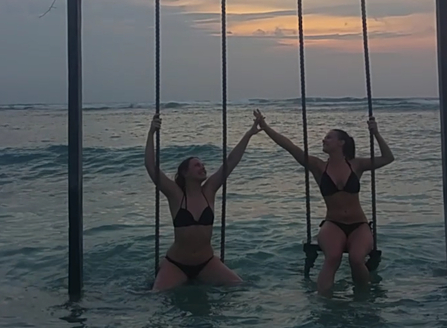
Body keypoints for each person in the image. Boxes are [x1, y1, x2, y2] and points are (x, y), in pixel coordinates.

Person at [253, 108, 394, 295]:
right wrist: (266, 127)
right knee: (332, 257)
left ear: (341, 143)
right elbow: (289, 147)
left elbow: (388, 158)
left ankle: (363, 300)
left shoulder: (356, 165)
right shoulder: (319, 166)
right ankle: (324, 304)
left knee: (356, 259)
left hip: (359, 225)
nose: (324, 140)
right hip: (333, 223)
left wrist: (375, 133)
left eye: (329, 137)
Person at [144, 113, 261, 289]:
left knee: (239, 287)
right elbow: (151, 166)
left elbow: (231, 161)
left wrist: (249, 133)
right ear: (185, 173)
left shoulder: (209, 191)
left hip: (206, 263)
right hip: (176, 264)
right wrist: (151, 133)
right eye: (197, 165)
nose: (203, 167)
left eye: (203, 164)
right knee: (156, 296)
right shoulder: (176, 195)